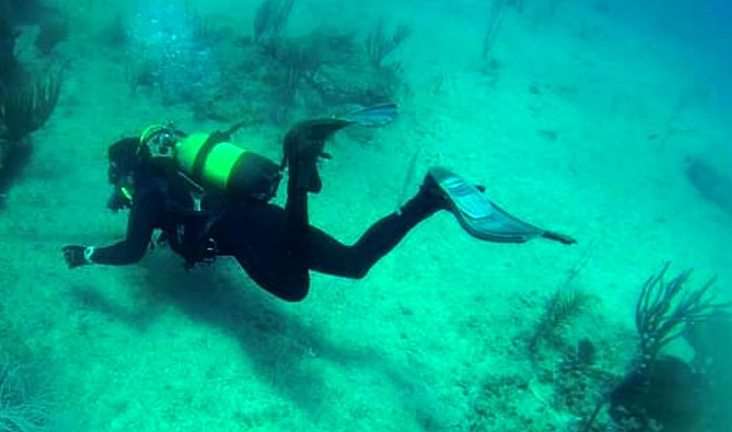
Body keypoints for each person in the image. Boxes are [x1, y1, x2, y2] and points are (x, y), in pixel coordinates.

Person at [62, 104, 575, 302]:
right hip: (260, 214)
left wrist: (88, 255)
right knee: (352, 264)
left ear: (132, 164)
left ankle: (300, 164)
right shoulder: (184, 173)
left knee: (294, 287)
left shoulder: (151, 192)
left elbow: (133, 249)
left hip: (240, 232)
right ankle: (428, 199)